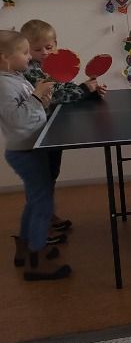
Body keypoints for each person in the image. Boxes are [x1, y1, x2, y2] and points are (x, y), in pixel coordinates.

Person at [21, 18, 106, 237]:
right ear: (25, 49)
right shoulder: (30, 71)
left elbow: (66, 87)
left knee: (50, 175)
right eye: (37, 49)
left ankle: (47, 215)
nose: (44, 53)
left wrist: (91, 91)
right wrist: (84, 89)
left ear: (56, 44)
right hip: (34, 133)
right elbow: (57, 95)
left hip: (51, 130)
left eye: (48, 47)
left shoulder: (54, 65)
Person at [1, 31, 72, 281]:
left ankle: (25, 245)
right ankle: (36, 258)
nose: (29, 56)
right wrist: (35, 96)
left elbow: (33, 110)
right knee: (42, 203)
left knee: (34, 201)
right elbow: (18, 119)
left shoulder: (16, 77)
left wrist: (43, 97)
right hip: (25, 152)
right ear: (5, 57)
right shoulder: (3, 85)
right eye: (24, 52)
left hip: (32, 147)